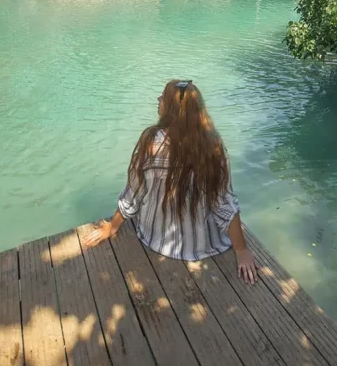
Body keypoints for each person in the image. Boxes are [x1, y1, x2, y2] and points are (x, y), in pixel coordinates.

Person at [84, 80, 258, 284]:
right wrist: (241, 250)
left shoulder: (151, 142)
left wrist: (111, 227)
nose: (158, 100)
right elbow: (224, 203)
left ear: (171, 110)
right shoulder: (214, 146)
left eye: (162, 98)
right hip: (205, 244)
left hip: (157, 239)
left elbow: (135, 192)